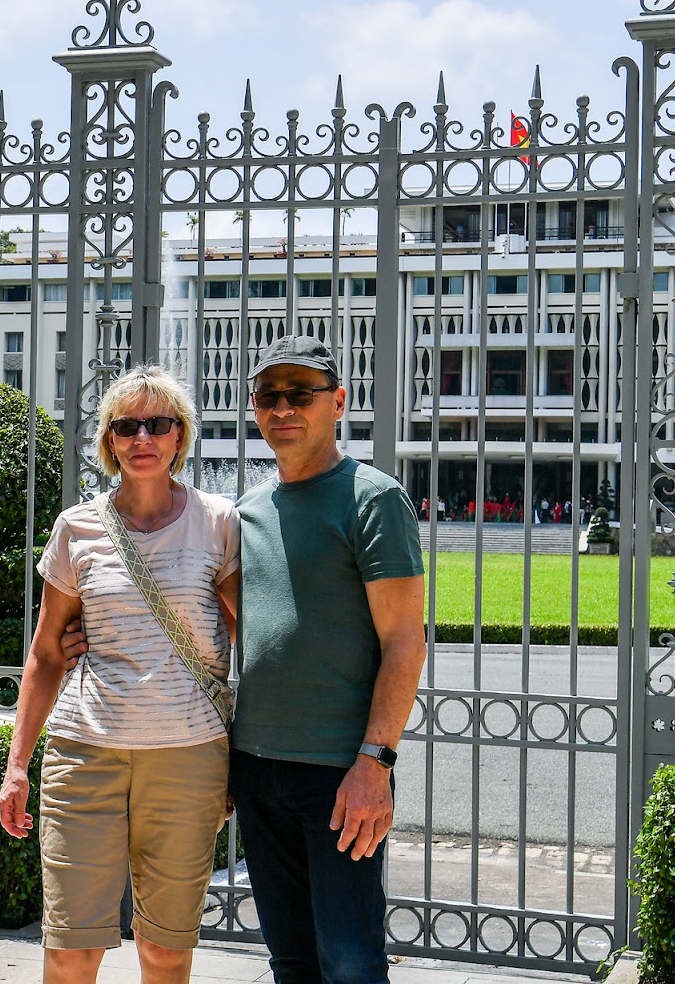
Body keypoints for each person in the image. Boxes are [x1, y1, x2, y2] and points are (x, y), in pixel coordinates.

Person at [0, 365, 239, 984]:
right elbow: (48, 652)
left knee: (164, 953)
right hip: (86, 755)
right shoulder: (77, 529)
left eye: (158, 424)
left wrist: (248, 758)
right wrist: (17, 764)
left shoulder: (218, 522)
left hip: (187, 757)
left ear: (180, 436)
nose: (142, 438)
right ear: (108, 441)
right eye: (126, 426)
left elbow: (253, 638)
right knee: (71, 952)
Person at [231, 336, 426, 983]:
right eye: (268, 394)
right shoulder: (247, 512)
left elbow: (404, 639)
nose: (282, 407)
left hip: (341, 776)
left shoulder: (372, 498)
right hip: (258, 772)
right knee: (291, 961)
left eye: (300, 393)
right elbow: (233, 637)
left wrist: (375, 764)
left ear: (337, 402)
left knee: (349, 963)